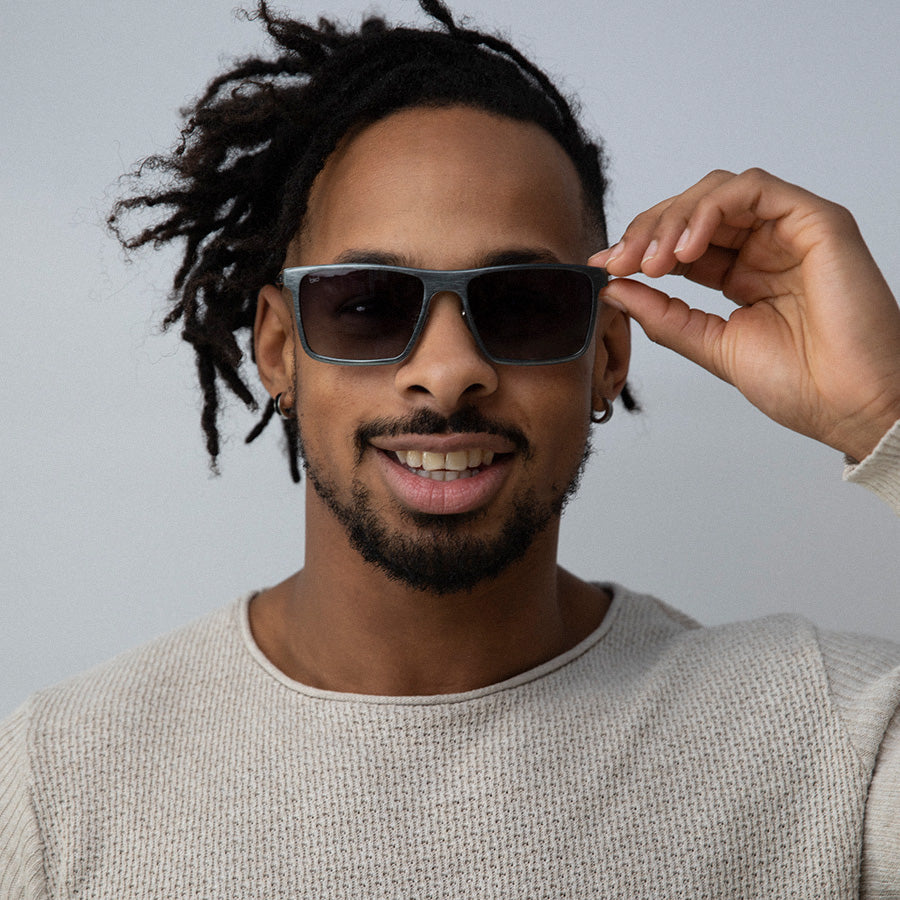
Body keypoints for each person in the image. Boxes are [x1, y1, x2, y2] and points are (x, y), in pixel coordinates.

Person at [2, 1, 899, 896]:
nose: (449, 370)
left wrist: (884, 416)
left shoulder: (835, 747)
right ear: (280, 350)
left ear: (607, 358)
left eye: (521, 303)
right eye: (367, 304)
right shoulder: (55, 786)